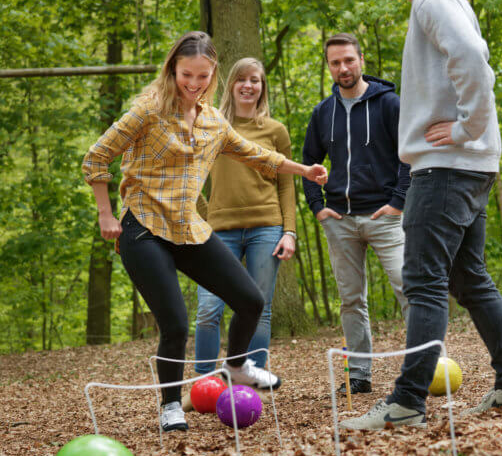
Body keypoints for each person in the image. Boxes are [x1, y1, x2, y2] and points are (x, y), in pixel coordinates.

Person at [82, 31, 327, 433]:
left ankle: (236, 366)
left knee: (250, 299)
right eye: (186, 75)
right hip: (142, 228)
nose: (193, 84)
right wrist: (105, 214)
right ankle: (169, 406)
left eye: (202, 77)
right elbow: (97, 156)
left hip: (189, 229)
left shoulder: (214, 121)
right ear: (172, 70)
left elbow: (256, 154)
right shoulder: (147, 112)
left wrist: (304, 170)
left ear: (214, 76)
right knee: (176, 322)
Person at [340, 0, 502, 431]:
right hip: (465, 167)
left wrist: (469, 129)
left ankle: (406, 402)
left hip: (446, 168)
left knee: (423, 281)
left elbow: (473, 58)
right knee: (470, 280)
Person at [302, 33, 410, 395]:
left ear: (361, 59)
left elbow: (409, 156)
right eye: (335, 62)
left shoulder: (389, 104)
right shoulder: (323, 113)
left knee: (408, 288)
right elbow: (308, 165)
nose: (343, 68)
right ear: (329, 66)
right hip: (341, 221)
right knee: (351, 300)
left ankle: (423, 366)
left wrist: (398, 202)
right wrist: (318, 207)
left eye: (349, 60)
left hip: (386, 217)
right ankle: (360, 373)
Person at [194, 57, 296, 376]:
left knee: (259, 309)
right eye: (241, 79)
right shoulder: (210, 126)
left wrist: (289, 231)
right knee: (208, 310)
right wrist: (201, 216)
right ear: (231, 85)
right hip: (218, 232)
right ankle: (205, 384)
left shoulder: (275, 130)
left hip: (266, 228)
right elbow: (190, 176)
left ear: (262, 87)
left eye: (255, 80)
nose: (248, 85)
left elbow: (286, 184)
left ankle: (248, 382)